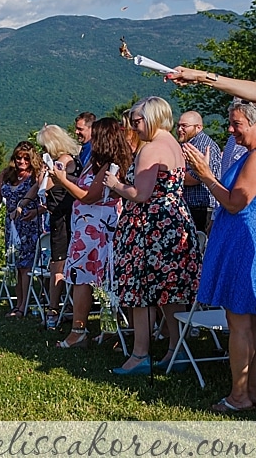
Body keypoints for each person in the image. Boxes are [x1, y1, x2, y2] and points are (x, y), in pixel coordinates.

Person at [103, 97, 201, 375]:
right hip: (175, 220)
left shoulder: (151, 149)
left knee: (140, 289)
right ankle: (176, 349)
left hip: (149, 226)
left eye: (137, 122)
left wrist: (116, 183)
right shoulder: (174, 145)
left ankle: (139, 354)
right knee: (171, 290)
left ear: (153, 118)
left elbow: (141, 194)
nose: (134, 128)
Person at [183, 99, 256, 412]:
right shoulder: (249, 156)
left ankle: (239, 397)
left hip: (242, 245)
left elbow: (234, 203)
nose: (230, 129)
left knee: (239, 322)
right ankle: (249, 392)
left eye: (236, 123)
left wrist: (205, 174)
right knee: (247, 322)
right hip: (238, 242)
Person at [51, 118, 131, 348]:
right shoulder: (96, 163)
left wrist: (63, 182)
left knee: (82, 279)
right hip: (86, 226)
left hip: (95, 230)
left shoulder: (111, 166)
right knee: (96, 279)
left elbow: (89, 196)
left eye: (95, 136)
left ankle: (78, 331)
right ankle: (107, 330)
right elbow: (86, 185)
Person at [34, 124, 82, 329]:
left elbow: (44, 184)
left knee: (58, 265)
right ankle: (65, 307)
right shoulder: (72, 158)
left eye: (44, 147)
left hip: (63, 217)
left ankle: (54, 307)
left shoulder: (62, 162)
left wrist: (45, 168)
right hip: (64, 215)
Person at [0, 141, 44, 319]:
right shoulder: (6, 175)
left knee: (26, 266)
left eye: (26, 158)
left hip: (29, 223)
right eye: (18, 157)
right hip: (11, 224)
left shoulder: (35, 177)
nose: (22, 161)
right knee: (15, 265)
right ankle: (18, 302)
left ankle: (23, 305)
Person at [176, 111, 221, 233]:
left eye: (184, 126)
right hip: (194, 207)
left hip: (201, 208)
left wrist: (170, 177)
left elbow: (196, 177)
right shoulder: (188, 143)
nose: (180, 129)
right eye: (178, 125)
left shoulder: (202, 145)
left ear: (198, 127)